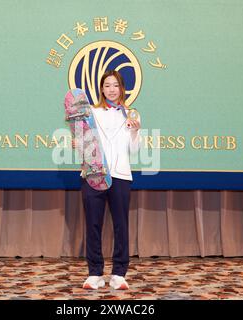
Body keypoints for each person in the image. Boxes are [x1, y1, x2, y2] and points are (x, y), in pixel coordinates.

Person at [72, 70, 141, 290]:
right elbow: (85, 143)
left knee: (121, 225)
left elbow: (134, 150)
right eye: (107, 85)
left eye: (116, 85)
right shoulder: (90, 112)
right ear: (101, 89)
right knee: (93, 224)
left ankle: (119, 273)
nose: (111, 89)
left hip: (120, 175)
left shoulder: (132, 114)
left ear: (122, 88)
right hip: (94, 174)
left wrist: (135, 133)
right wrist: (78, 144)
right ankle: (94, 273)